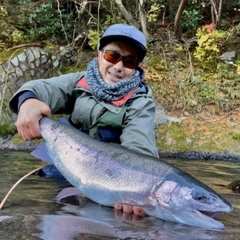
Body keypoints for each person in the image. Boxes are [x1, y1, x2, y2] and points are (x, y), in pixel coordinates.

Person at [9, 23, 159, 215]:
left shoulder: (140, 101)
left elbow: (141, 153)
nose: (118, 66)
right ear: (99, 54)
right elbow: (40, 88)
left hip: (109, 180)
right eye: (112, 56)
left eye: (129, 62)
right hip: (69, 166)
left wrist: (138, 189)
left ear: (135, 66)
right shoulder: (80, 81)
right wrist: (27, 101)